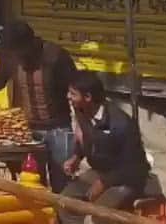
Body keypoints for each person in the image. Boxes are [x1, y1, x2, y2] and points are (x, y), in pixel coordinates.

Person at [0, 20, 78, 192]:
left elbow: (76, 91)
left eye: (20, 52)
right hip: (27, 130)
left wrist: (82, 126)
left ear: (30, 44)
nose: (18, 57)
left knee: (63, 183)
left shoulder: (56, 56)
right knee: (32, 182)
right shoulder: (9, 56)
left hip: (58, 129)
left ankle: (64, 218)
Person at [58, 71, 150, 224]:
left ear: (87, 97)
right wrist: (76, 157)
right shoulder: (81, 111)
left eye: (73, 94)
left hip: (126, 180)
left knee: (99, 216)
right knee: (65, 203)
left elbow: (132, 167)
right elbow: (87, 139)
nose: (68, 96)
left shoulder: (122, 124)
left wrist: (103, 183)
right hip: (100, 173)